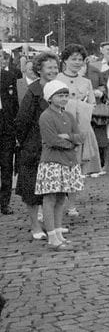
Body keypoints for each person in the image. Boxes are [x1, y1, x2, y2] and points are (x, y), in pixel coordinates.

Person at [35, 80, 85, 251]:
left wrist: (69, 137)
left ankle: (58, 233)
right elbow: (51, 140)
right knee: (49, 199)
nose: (64, 99)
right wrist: (71, 142)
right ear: (50, 98)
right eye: (60, 96)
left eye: (66, 95)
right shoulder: (46, 116)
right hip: (52, 162)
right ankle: (52, 236)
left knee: (61, 198)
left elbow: (80, 136)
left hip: (67, 162)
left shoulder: (69, 116)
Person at [16, 52, 60, 241]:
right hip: (34, 147)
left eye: (55, 67)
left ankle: (52, 225)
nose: (53, 71)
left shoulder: (58, 89)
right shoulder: (33, 92)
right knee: (32, 187)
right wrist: (26, 144)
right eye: (49, 67)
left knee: (52, 188)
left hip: (53, 146)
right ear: (39, 69)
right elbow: (22, 121)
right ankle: (35, 225)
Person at [57, 45, 100, 218]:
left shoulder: (86, 82)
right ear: (65, 60)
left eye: (80, 59)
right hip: (61, 127)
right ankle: (57, 202)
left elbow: (93, 105)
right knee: (60, 166)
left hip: (81, 127)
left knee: (76, 166)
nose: (76, 62)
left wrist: (83, 106)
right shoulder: (58, 79)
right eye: (73, 59)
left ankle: (72, 204)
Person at [0, 51, 20, 215]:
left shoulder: (9, 76)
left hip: (6, 127)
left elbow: (15, 105)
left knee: (6, 165)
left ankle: (4, 203)